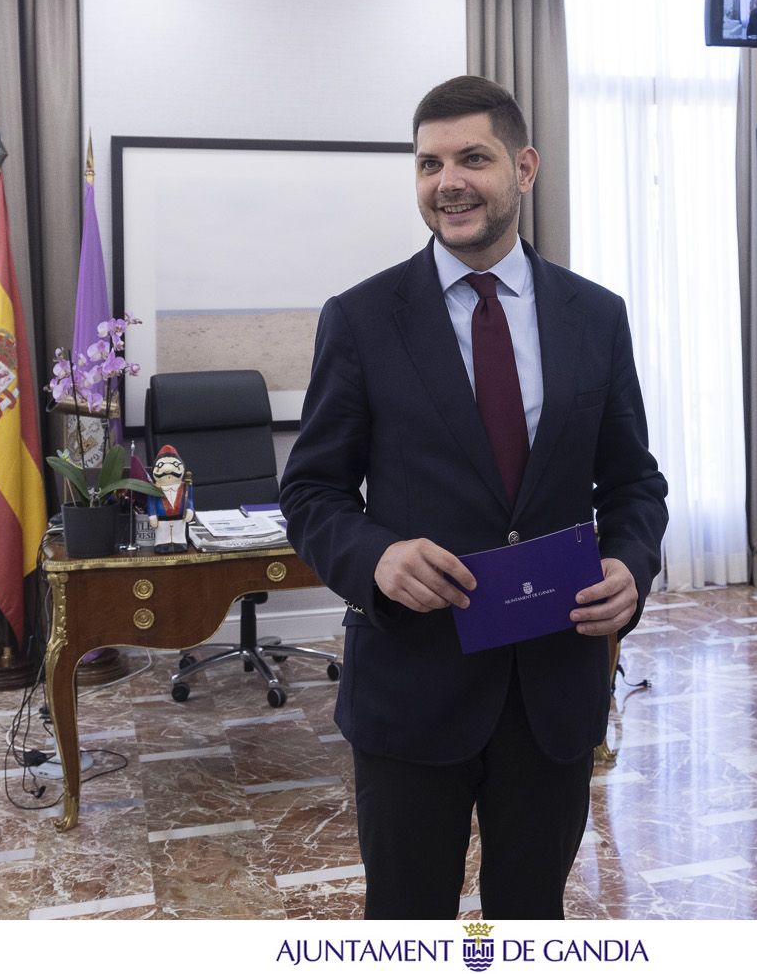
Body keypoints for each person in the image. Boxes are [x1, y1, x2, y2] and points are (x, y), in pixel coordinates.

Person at [280, 75, 668, 921]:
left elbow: (633, 482)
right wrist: (377, 556)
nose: (447, 181)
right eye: (428, 164)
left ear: (523, 168)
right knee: (406, 920)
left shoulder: (595, 316)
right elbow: (311, 489)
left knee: (530, 917)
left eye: (471, 159)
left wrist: (630, 566)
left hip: (554, 690)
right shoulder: (361, 318)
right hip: (412, 686)